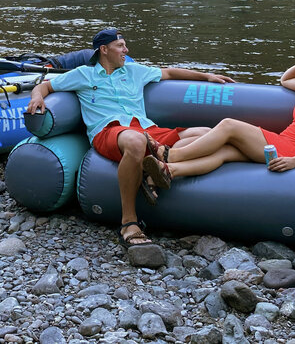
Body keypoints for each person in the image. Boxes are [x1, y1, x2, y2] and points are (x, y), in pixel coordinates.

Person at [25, 28, 235, 249]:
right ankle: (129, 222)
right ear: (104, 50)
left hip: (147, 129)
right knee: (136, 141)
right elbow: (46, 85)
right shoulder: (83, 74)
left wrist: (208, 76)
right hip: (109, 130)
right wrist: (37, 97)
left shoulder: (135, 71)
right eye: (121, 46)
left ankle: (158, 171)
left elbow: (170, 73)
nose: (126, 50)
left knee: (205, 134)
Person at [140, 43, 295, 190]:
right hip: (284, 142)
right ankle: (170, 172)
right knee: (225, 152)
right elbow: (284, 80)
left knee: (229, 125)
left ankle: (173, 156)